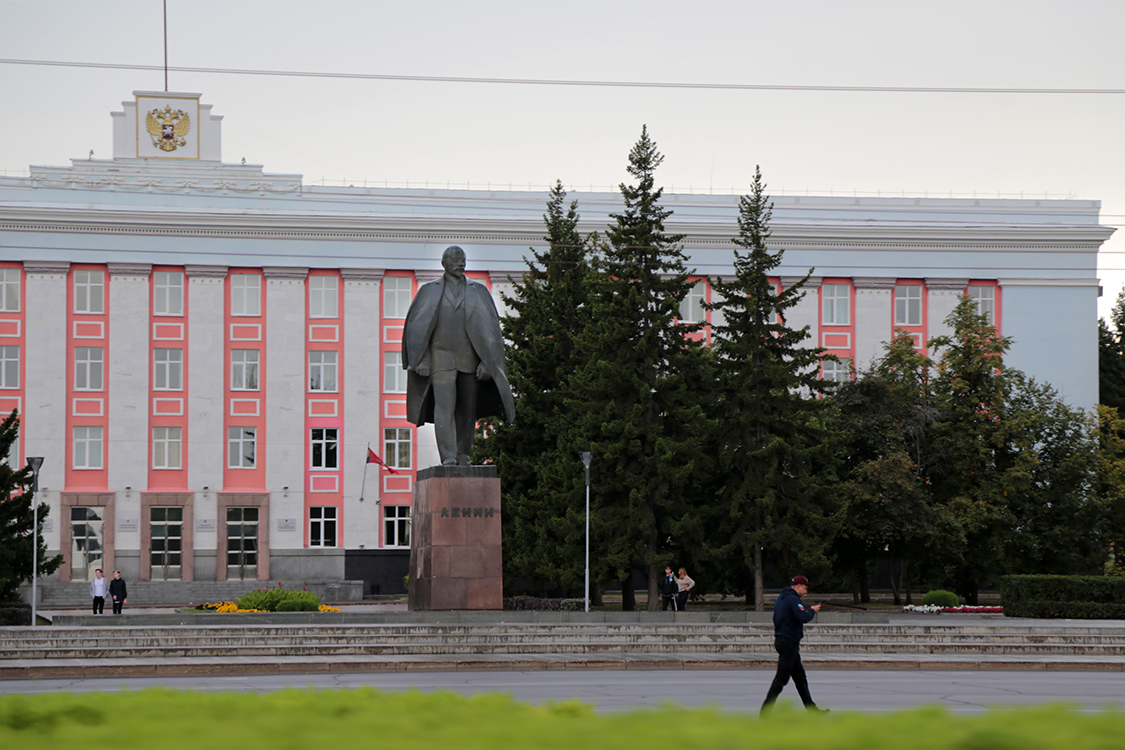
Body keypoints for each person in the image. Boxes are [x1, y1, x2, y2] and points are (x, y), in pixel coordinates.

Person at [402, 245, 515, 467]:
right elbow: (416, 327)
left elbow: (492, 329)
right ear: (444, 263)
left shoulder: (478, 291)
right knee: (444, 406)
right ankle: (448, 457)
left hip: (470, 357)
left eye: (462, 259)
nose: (460, 263)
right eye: (455, 260)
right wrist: (421, 359)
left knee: (467, 409)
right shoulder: (429, 291)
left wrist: (487, 361)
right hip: (440, 356)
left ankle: (464, 455)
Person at [760, 575, 827, 714]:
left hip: (783, 640)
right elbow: (803, 617)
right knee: (781, 678)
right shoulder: (793, 599)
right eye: (805, 588)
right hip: (789, 642)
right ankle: (765, 711)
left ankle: (812, 709)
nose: (806, 591)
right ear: (798, 586)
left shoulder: (781, 598)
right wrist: (813, 611)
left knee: (800, 677)